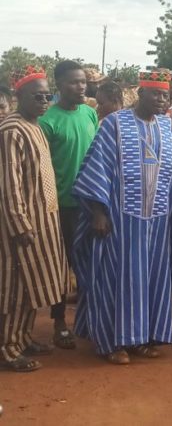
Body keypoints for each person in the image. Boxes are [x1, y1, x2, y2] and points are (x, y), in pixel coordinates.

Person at [71, 70, 172, 364]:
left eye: (165, 95)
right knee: (116, 280)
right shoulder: (114, 124)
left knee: (152, 281)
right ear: (140, 94)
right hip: (120, 223)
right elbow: (96, 168)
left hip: (159, 223)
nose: (161, 100)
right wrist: (98, 213)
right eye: (155, 94)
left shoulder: (169, 128)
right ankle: (111, 342)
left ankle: (143, 338)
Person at [0, 66, 69, 372]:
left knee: (32, 286)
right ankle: (7, 349)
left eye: (47, 95)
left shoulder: (35, 125)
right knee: (15, 286)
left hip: (44, 221)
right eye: (36, 96)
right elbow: (9, 184)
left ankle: (23, 336)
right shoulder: (12, 131)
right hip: (22, 226)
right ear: (19, 97)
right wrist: (20, 224)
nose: (44, 101)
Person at [39, 60, 99, 350]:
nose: (81, 86)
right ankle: (59, 322)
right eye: (75, 82)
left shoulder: (90, 113)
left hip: (92, 204)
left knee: (90, 263)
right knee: (60, 267)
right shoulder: (47, 121)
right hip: (61, 206)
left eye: (84, 82)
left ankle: (89, 320)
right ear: (59, 85)